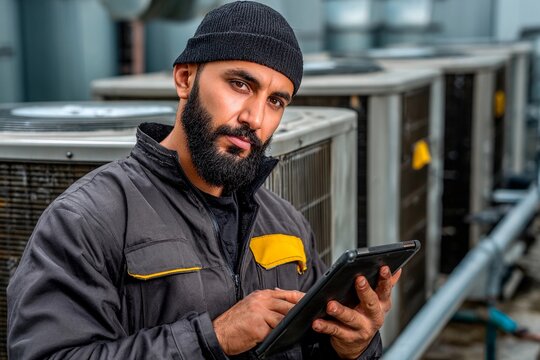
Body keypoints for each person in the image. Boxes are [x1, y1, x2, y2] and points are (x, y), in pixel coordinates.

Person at [7, 2, 401, 359]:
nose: (255, 118)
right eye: (240, 84)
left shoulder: (286, 222)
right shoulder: (89, 218)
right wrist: (213, 338)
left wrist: (353, 347)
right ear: (184, 78)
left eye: (275, 100)